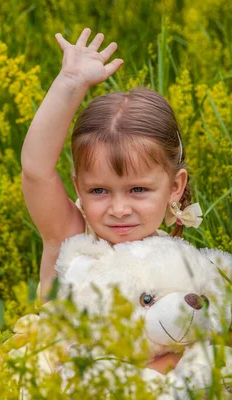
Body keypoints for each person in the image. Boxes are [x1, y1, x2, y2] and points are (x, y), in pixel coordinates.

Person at [21, 28, 202, 374]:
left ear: (175, 187)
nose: (118, 209)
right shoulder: (71, 238)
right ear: (78, 185)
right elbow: (35, 170)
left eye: (138, 190)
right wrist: (70, 83)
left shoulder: (180, 265)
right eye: (99, 191)